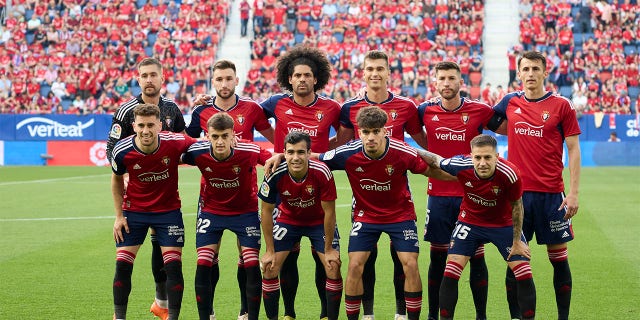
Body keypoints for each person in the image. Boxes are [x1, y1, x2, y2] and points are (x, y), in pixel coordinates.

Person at [319, 106, 452, 320]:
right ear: (359, 132)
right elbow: (314, 158)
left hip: (400, 215)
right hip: (366, 216)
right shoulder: (347, 153)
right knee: (354, 265)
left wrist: (463, 178)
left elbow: (432, 171)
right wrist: (279, 156)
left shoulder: (403, 151)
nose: (370, 137)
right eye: (365, 132)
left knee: (410, 263)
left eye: (375, 131)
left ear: (384, 131)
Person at [335, 50, 428, 320]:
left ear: (389, 73)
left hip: (398, 191)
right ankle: (368, 313)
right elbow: (340, 146)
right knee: (365, 258)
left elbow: (422, 141)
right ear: (362, 73)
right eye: (370, 69)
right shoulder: (349, 108)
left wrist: (448, 162)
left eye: (380, 68)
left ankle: (401, 313)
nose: (375, 73)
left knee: (403, 258)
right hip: (364, 195)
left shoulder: (407, 107)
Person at [493, 51, 581, 320]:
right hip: (517, 197)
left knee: (559, 259)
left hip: (552, 195)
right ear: (518, 73)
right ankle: (516, 317)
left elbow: (574, 149)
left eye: (535, 69)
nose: (530, 74)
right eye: (525, 69)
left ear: (545, 72)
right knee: (515, 260)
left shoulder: (562, 105)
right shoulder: (509, 102)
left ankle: (563, 317)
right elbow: (488, 122)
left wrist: (574, 193)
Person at [259, 45, 342, 320]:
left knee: (325, 260)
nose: (303, 79)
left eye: (308, 75)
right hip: (287, 189)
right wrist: (278, 150)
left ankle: (324, 314)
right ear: (289, 79)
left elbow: (347, 133)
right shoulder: (275, 103)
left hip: (318, 186)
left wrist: (323, 154)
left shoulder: (331, 107)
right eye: (297, 75)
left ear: (316, 78)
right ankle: (289, 313)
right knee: (288, 258)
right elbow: (251, 117)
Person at [189, 59, 274, 320]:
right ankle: (209, 312)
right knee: (207, 258)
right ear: (212, 82)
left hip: (245, 197)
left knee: (246, 258)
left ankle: (245, 311)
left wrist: (283, 158)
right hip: (212, 198)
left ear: (237, 80)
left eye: (228, 78)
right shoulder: (200, 112)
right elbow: (184, 143)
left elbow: (274, 139)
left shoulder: (252, 109)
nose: (224, 84)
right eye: (219, 79)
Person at [417, 134, 537, 320]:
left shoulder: (509, 173)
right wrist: (409, 149)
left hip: (502, 224)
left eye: (487, 157)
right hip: (470, 222)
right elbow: (437, 160)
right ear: (471, 156)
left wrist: (517, 241)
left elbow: (517, 205)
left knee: (523, 272)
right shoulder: (460, 164)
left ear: (497, 156)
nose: (482, 163)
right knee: (450, 271)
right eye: (477, 157)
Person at [417, 61, 502, 320]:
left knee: (476, 257)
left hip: (472, 198)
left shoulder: (479, 110)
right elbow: (413, 134)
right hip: (439, 198)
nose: (446, 83)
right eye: (441, 78)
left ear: (460, 82)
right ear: (435, 82)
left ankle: (480, 316)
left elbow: (510, 131)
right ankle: (433, 315)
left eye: (451, 78)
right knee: (438, 259)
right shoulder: (424, 110)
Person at [106, 57, 186, 320]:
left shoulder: (172, 109)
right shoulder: (126, 111)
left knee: (160, 249)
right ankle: (155, 306)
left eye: (154, 75)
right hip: (136, 196)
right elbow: (113, 152)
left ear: (162, 78)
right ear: (138, 79)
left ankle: (162, 303)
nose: (149, 79)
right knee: (130, 259)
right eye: (144, 75)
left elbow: (186, 143)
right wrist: (132, 172)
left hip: (164, 198)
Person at [259, 132, 342, 320]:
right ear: (284, 153)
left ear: (309, 153)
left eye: (300, 152)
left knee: (332, 265)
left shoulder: (322, 172)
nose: (295, 158)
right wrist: (269, 250)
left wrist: (328, 249)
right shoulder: (274, 173)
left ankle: (327, 316)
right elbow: (265, 212)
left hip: (318, 221)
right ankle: (285, 316)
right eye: (291, 152)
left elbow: (330, 212)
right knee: (270, 267)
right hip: (289, 220)